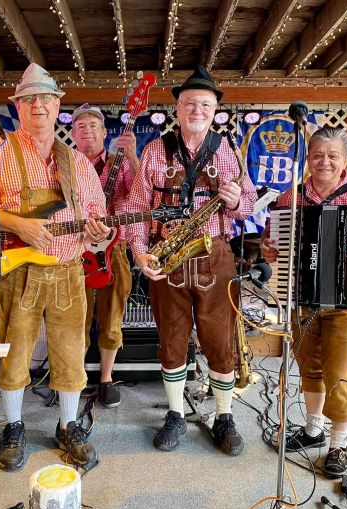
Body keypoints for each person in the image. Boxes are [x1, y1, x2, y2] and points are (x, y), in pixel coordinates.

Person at [0, 64, 110, 471]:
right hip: (15, 272)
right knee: (13, 351)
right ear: (18, 107)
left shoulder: (76, 162)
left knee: (71, 353)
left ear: (58, 105)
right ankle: (13, 425)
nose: (37, 104)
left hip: (67, 271)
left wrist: (98, 231)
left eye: (45, 97)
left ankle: (67, 426)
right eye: (29, 99)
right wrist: (18, 223)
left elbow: (99, 219)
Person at [124, 66, 257, 455]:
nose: (196, 110)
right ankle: (176, 413)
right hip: (167, 256)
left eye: (205, 104)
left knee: (220, 341)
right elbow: (136, 208)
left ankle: (223, 415)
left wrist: (235, 202)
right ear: (177, 109)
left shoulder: (228, 150)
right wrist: (140, 251)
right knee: (172, 340)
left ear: (215, 111)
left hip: (214, 255)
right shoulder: (154, 150)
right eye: (189, 103)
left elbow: (247, 203)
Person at [260, 126, 347, 477]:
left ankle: (339, 442)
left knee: (340, 372)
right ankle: (314, 428)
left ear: (344, 160)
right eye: (318, 155)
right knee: (309, 366)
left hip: (346, 300)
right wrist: (269, 248)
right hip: (302, 298)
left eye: (333, 156)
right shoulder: (291, 198)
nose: (325, 162)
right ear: (308, 158)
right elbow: (271, 243)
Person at [71, 103, 138, 408]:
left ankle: (106, 378)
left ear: (105, 131)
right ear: (72, 133)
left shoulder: (119, 162)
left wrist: (134, 156)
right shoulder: (65, 166)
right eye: (81, 126)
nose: (87, 130)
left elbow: (141, 191)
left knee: (112, 317)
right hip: (74, 252)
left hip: (116, 251)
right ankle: (75, 375)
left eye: (93, 125)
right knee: (74, 318)